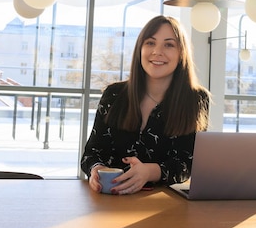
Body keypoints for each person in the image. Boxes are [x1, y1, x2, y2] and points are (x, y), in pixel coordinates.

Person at [81, 15, 211, 195]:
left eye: (169, 44)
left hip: (164, 207)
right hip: (109, 199)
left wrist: (149, 171)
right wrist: (95, 170)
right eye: (150, 43)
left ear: (181, 53)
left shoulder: (196, 99)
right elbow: (91, 154)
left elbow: (187, 165)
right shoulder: (114, 95)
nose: (157, 51)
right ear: (140, 49)